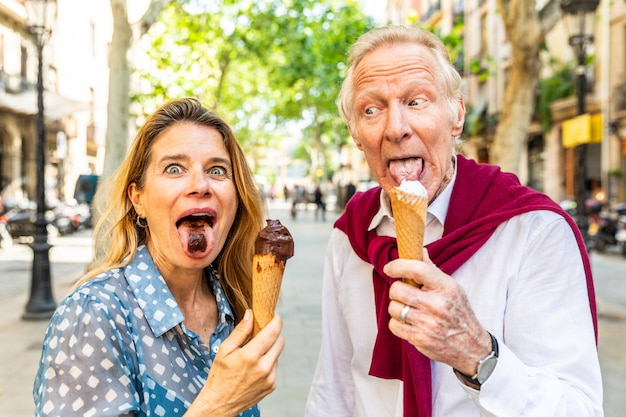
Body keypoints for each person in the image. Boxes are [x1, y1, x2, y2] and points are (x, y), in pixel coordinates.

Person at [305, 25, 602, 417]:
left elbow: (579, 409)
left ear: (456, 115)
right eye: (371, 110)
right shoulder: (351, 237)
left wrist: (477, 353)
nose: (396, 128)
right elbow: (335, 389)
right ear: (356, 134)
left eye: (416, 101)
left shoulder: (534, 231)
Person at [34, 98, 285, 417]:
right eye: (174, 168)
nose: (200, 185)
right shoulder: (93, 316)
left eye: (217, 170)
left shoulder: (232, 306)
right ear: (138, 198)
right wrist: (217, 405)